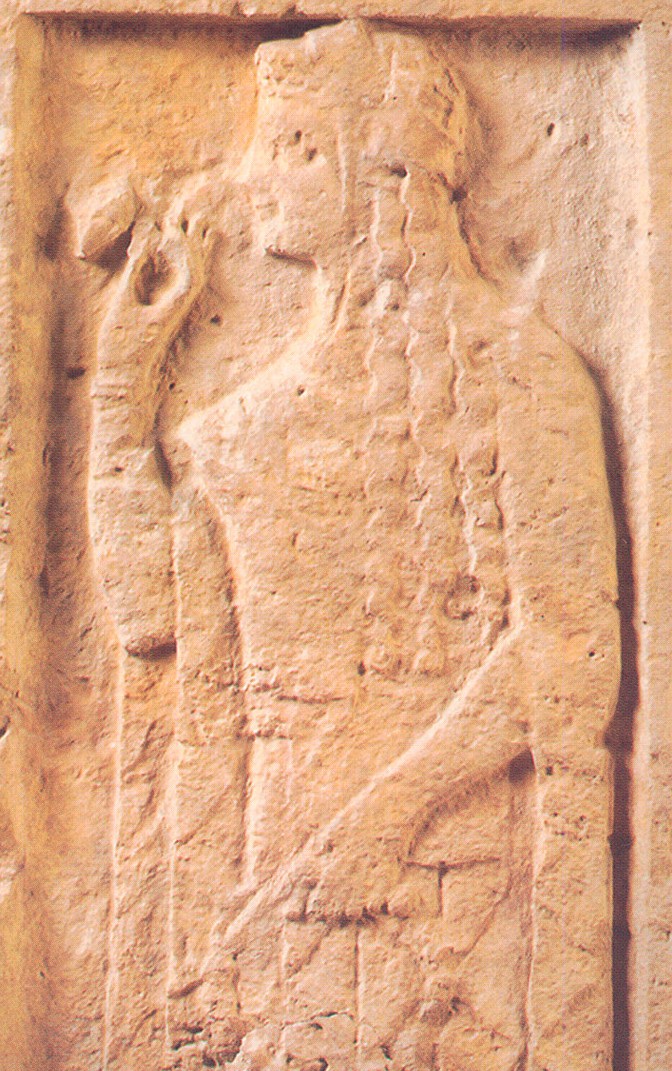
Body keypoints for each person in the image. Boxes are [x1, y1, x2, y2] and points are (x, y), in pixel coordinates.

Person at [84, 20, 619, 1071]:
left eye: (290, 147)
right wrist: (120, 384)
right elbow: (148, 617)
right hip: (266, 883)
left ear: (383, 172)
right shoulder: (246, 425)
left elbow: (568, 650)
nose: (254, 177)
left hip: (455, 887)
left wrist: (391, 816)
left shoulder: (524, 376)